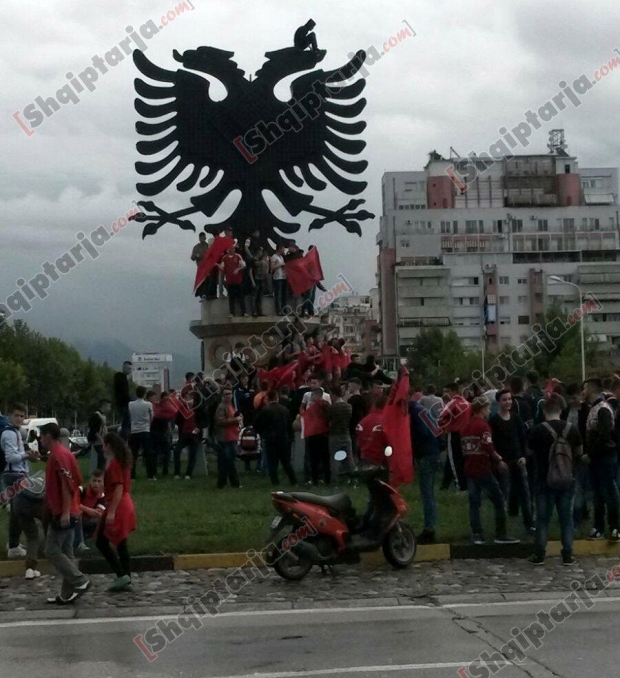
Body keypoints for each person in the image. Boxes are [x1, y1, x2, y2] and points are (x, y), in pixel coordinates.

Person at [527, 393, 583, 565]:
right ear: (561, 409)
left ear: (545, 410)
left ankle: (539, 554)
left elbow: (529, 453)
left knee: (543, 519)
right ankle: (567, 554)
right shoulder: (571, 429)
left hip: (544, 479)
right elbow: (579, 452)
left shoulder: (537, 430)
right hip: (567, 479)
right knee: (566, 518)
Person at [40, 422, 91, 605]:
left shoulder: (58, 456)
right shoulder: (64, 454)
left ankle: (80, 581)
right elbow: (76, 479)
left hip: (63, 511)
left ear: (47, 436)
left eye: (41, 436)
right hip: (73, 510)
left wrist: (65, 512)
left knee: (52, 550)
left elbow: (66, 485)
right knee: (67, 552)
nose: (40, 439)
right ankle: (66, 594)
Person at [461, 397, 519, 545]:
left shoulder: (466, 426)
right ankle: (501, 533)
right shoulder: (483, 426)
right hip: (483, 468)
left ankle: (477, 533)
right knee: (499, 500)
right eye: (487, 408)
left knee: (474, 503)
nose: (488, 411)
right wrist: (498, 459)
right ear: (482, 409)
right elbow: (487, 445)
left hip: (469, 468)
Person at [96, 432, 137, 592]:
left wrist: (111, 512)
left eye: (104, 445)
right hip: (123, 503)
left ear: (109, 446)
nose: (102, 448)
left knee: (102, 541)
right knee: (120, 543)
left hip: (118, 505)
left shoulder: (114, 464)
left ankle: (122, 575)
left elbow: (118, 487)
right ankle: (125, 577)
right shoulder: (122, 461)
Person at [489, 389, 533, 534]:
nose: (508, 402)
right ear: (498, 402)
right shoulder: (494, 421)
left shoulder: (516, 418)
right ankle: (501, 529)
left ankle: (529, 524)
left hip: (518, 461)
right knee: (503, 496)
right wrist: (497, 461)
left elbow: (523, 439)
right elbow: (491, 443)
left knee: (525, 494)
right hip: (503, 463)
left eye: (509, 399)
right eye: (504, 399)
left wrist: (524, 456)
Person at [583, 377, 619, 541]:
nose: (583, 392)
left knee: (609, 493)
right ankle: (598, 526)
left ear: (591, 389)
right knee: (597, 494)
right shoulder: (593, 408)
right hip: (597, 459)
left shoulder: (603, 409)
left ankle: (615, 527)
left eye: (585, 389)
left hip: (605, 457)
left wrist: (591, 453)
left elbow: (605, 434)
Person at [1, 403, 39, 559]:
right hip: (13, 474)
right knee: (19, 511)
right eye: (16, 415)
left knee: (17, 512)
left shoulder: (15, 432)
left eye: (22, 416)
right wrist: (26, 456)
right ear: (9, 416)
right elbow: (10, 457)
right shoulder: (9, 433)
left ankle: (13, 544)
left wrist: (29, 455)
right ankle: (14, 545)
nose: (19, 418)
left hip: (17, 473)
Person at [409, 396, 441, 544]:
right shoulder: (422, 410)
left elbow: (422, 433)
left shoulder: (414, 412)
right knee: (429, 492)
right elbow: (435, 429)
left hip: (426, 454)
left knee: (427, 493)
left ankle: (429, 529)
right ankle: (430, 527)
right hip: (433, 452)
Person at [254, 390, 297, 485]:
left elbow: (256, 425)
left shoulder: (265, 410)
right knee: (286, 462)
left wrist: (263, 432)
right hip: (283, 439)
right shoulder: (285, 410)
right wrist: (290, 437)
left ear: (268, 399)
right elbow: (289, 425)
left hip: (270, 439)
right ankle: (293, 480)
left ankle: (275, 482)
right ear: (277, 398)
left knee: (272, 462)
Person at [562, 383, 590, 525]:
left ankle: (578, 515)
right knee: (575, 483)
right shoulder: (565, 412)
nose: (572, 401)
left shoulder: (586, 411)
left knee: (580, 484)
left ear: (580, 396)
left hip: (582, 452)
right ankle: (580, 511)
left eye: (574, 398)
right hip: (568, 452)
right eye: (570, 398)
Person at [438, 382, 471, 491]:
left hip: (454, 434)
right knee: (457, 459)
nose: (447, 394)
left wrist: (444, 426)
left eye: (448, 391)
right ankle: (445, 484)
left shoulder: (453, 402)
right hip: (465, 434)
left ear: (453, 391)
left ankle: (460, 485)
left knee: (454, 460)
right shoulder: (466, 403)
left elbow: (441, 417)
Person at [214, 387, 242, 489]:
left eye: (230, 394)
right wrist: (235, 420)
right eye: (226, 394)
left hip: (232, 436)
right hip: (225, 437)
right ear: (222, 396)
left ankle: (222, 483)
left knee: (226, 462)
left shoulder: (230, 405)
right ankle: (234, 483)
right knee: (229, 461)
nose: (228, 396)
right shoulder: (221, 407)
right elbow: (220, 421)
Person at [74, 470, 106, 553]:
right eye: (94, 481)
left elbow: (98, 513)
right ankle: (80, 543)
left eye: (99, 481)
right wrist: (88, 510)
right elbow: (73, 504)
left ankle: (82, 539)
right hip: (76, 520)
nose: (96, 484)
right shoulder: (81, 491)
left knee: (99, 521)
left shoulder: (102, 496)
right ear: (90, 481)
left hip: (88, 520)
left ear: (103, 483)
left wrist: (82, 507)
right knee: (77, 514)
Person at [304, 388, 331, 485]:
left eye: (313, 395)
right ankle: (328, 480)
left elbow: (307, 420)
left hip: (313, 434)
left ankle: (315, 480)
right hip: (325, 434)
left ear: (317, 395)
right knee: (326, 459)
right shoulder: (327, 405)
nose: (311, 397)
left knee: (314, 459)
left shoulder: (312, 407)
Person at [128, 386, 155, 480]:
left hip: (134, 430)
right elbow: (152, 417)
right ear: (144, 394)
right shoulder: (148, 404)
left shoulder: (130, 404)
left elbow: (129, 416)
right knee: (148, 453)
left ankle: (132, 475)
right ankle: (150, 475)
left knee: (133, 454)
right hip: (145, 430)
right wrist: (148, 425)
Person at [173, 393, 202, 480]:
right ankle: (177, 473)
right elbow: (177, 420)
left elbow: (204, 420)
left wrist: (198, 428)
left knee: (192, 454)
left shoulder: (198, 409)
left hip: (194, 434)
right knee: (177, 451)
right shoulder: (182, 409)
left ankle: (188, 474)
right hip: (184, 433)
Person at [326, 386, 353, 473]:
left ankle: (335, 481)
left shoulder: (332, 408)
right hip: (346, 434)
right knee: (350, 459)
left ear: (334, 394)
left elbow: (327, 420)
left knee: (334, 459)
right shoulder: (348, 407)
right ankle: (354, 478)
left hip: (334, 435)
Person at [150, 391, 177, 476]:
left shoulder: (156, 405)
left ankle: (154, 471)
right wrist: (170, 400)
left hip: (155, 430)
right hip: (162, 430)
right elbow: (175, 411)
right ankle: (164, 470)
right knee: (166, 451)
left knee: (155, 452)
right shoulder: (165, 405)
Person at [219, 245, 248, 318]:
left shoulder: (238, 256)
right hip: (229, 280)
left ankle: (244, 312)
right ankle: (232, 313)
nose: (233, 249)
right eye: (232, 248)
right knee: (231, 298)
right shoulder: (224, 258)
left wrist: (238, 269)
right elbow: (222, 268)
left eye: (234, 248)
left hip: (238, 280)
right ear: (228, 249)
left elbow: (244, 265)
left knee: (241, 297)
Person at [346, 378, 368, 462]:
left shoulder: (352, 400)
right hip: (360, 426)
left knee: (353, 449)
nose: (348, 388)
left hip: (352, 427)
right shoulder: (363, 399)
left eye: (349, 386)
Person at [87, 399, 110, 470]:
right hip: (98, 441)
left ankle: (100, 472)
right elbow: (94, 430)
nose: (109, 408)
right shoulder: (97, 416)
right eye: (109, 406)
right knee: (102, 458)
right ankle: (100, 473)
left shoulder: (101, 416)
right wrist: (102, 440)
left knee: (102, 458)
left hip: (100, 440)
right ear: (103, 406)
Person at [113, 361, 132, 439]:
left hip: (122, 403)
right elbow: (123, 393)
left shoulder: (121, 377)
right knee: (126, 423)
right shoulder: (120, 377)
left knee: (126, 423)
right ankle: (123, 438)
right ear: (123, 368)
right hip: (123, 404)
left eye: (130, 369)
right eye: (128, 369)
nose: (129, 371)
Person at [248, 246, 269, 317]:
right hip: (256, 279)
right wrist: (252, 281)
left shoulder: (262, 259)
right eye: (260, 251)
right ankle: (254, 311)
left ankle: (260, 311)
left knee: (260, 296)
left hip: (262, 279)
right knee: (254, 296)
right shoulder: (253, 260)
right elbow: (250, 271)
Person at [271, 244, 288, 315]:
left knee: (284, 295)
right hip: (277, 278)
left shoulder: (281, 257)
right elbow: (272, 267)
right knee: (278, 295)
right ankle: (278, 310)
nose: (284, 250)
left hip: (283, 277)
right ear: (279, 249)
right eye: (283, 249)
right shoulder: (274, 257)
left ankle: (284, 310)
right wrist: (280, 265)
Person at [191, 232, 210, 298]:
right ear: (199, 238)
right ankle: (202, 294)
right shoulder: (196, 247)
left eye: (203, 237)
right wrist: (196, 255)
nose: (202, 238)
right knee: (201, 281)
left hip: (207, 266)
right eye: (201, 237)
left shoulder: (208, 246)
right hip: (200, 267)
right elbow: (192, 257)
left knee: (208, 280)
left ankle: (207, 294)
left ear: (205, 237)